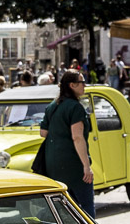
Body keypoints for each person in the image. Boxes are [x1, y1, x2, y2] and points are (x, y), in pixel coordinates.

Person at [37, 69, 96, 214]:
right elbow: (77, 137)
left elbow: (43, 132)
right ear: (72, 85)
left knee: (61, 209)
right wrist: (86, 167)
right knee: (86, 209)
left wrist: (59, 130)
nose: (85, 85)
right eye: (82, 82)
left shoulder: (52, 106)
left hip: (53, 164)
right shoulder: (76, 108)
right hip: (73, 165)